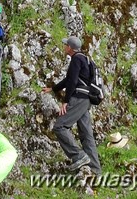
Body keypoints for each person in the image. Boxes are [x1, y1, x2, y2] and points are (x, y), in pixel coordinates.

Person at [42, 36, 101, 174]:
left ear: (69, 47)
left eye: (65, 45)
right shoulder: (85, 59)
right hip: (86, 100)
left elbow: (73, 81)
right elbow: (69, 79)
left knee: (60, 126)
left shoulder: (76, 59)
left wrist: (66, 101)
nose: (64, 47)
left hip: (78, 99)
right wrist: (54, 88)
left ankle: (79, 156)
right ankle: (96, 170)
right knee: (86, 135)